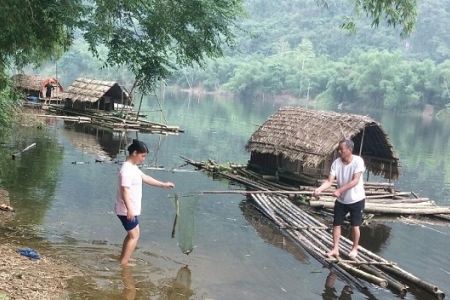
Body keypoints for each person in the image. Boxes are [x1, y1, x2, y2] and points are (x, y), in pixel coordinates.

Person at [115, 139, 175, 265]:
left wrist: (163, 184)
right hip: (126, 210)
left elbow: (145, 178)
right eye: (143, 156)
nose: (143, 159)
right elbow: (124, 190)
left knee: (132, 235)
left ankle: (124, 259)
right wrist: (130, 210)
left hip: (128, 209)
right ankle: (123, 263)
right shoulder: (126, 170)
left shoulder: (133, 168)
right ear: (135, 153)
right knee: (134, 235)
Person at [313, 139, 365, 259]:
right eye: (338, 149)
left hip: (356, 199)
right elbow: (329, 181)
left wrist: (339, 190)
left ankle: (354, 248)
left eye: (342, 149)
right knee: (336, 224)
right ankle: (335, 248)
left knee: (355, 225)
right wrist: (320, 189)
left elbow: (355, 181)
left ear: (349, 150)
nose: (339, 152)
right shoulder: (336, 163)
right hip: (342, 200)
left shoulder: (358, 161)